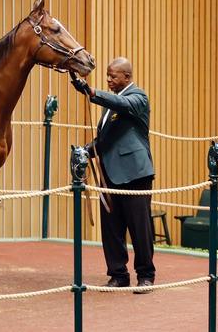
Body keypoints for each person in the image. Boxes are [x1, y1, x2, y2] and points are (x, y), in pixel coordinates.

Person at [71, 57, 156, 292]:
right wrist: (85, 151)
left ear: (126, 77)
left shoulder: (138, 97)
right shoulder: (111, 106)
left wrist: (91, 92)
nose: (109, 79)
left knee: (140, 228)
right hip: (109, 175)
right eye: (107, 75)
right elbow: (105, 140)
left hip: (135, 175)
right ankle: (118, 274)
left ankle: (146, 276)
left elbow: (123, 104)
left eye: (113, 75)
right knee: (111, 229)